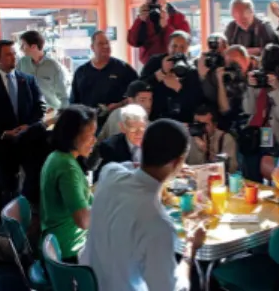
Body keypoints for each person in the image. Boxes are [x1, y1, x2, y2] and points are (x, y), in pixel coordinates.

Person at [81, 119, 206, 291]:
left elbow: (127, 168)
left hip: (88, 283)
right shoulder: (158, 223)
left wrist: (170, 167)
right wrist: (190, 250)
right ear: (178, 162)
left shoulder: (108, 173)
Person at [0, 39, 47, 221]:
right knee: (4, 188)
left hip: (27, 142)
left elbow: (40, 107)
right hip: (0, 144)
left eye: (14, 53)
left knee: (30, 184)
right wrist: (2, 133)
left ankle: (29, 220)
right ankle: (5, 225)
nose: (13, 57)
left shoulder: (27, 79)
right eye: (8, 54)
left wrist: (28, 126)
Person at [39, 104, 98, 263]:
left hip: (60, 240)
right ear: (73, 135)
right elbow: (84, 221)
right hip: (68, 250)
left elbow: (87, 202)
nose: (95, 140)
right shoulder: (67, 168)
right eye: (91, 134)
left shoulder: (57, 157)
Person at [238, 46, 279, 183]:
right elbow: (248, 110)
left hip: (274, 133)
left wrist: (277, 90)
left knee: (271, 175)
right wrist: (250, 86)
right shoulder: (259, 78)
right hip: (255, 132)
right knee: (251, 175)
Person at [70, 31, 140, 129]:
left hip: (117, 124)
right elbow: (74, 103)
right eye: (101, 43)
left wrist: (120, 105)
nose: (106, 46)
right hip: (89, 125)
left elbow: (138, 95)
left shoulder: (124, 69)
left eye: (107, 43)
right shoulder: (81, 72)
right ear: (92, 47)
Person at [142, 31, 204, 123]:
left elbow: (197, 101)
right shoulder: (155, 61)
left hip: (181, 120)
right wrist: (161, 73)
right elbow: (139, 86)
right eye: (174, 46)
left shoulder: (192, 69)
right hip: (155, 117)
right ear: (168, 46)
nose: (178, 50)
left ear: (187, 49)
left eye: (182, 47)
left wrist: (178, 88)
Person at [127, 0, 192, 63]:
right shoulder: (144, 17)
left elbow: (183, 43)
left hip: (174, 62)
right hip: (150, 64)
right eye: (150, 3)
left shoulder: (178, 17)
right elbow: (134, 42)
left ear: (164, 0)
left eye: (158, 2)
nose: (154, 5)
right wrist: (140, 21)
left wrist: (166, 27)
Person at [16, 30, 70, 110]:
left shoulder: (54, 66)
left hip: (50, 111)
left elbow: (64, 97)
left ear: (33, 46)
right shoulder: (22, 63)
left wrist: (60, 114)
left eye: (23, 45)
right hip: (28, 111)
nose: (21, 49)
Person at [94, 104, 148, 182]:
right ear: (122, 127)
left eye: (142, 129)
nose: (139, 134)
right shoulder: (110, 147)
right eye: (133, 130)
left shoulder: (153, 143)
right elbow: (102, 179)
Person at [186, 104, 238, 173]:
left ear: (215, 125)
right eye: (197, 124)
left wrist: (207, 151)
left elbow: (232, 169)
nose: (201, 127)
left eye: (205, 124)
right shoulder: (188, 137)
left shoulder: (225, 139)